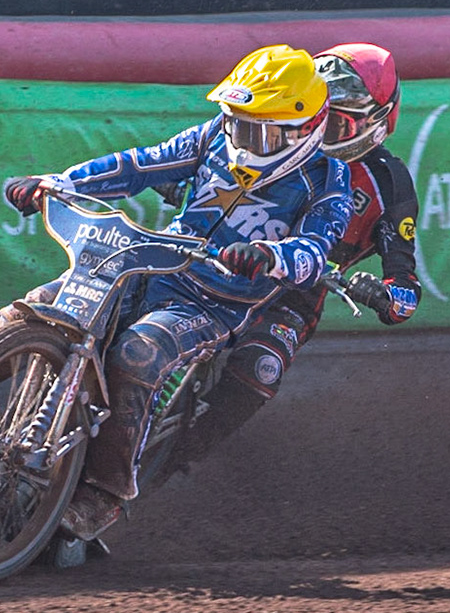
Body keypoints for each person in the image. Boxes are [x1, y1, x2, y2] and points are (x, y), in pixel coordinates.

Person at [0, 44, 352, 541]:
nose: (239, 138)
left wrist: (272, 256)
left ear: (303, 129)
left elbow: (316, 247)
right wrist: (57, 183)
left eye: (256, 129)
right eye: (233, 121)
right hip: (142, 265)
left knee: (138, 354)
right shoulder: (211, 140)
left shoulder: (328, 180)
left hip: (213, 303)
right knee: (28, 313)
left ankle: (105, 494)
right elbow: (137, 165)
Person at [149, 43, 417, 475]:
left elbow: (405, 279)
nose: (315, 133)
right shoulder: (265, 137)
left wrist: (387, 294)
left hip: (291, 295)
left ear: (377, 124)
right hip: (215, 257)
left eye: (336, 125)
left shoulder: (388, 183)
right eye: (312, 117)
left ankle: (174, 462)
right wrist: (182, 184)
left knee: (262, 367)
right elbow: (192, 162)